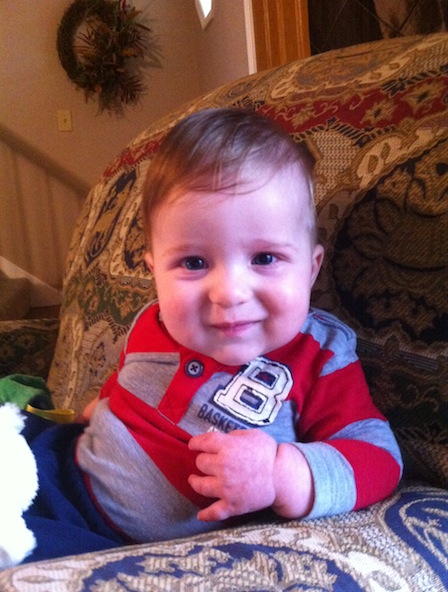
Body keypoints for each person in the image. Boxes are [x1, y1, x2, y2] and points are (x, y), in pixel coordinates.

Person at [22, 107, 402, 562]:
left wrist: (283, 474)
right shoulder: (155, 319)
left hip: (110, 541)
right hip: (59, 461)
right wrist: (97, 408)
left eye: (264, 258)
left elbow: (380, 456)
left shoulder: (320, 356)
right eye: (194, 263)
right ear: (155, 272)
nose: (229, 293)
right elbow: (127, 381)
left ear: (311, 268)